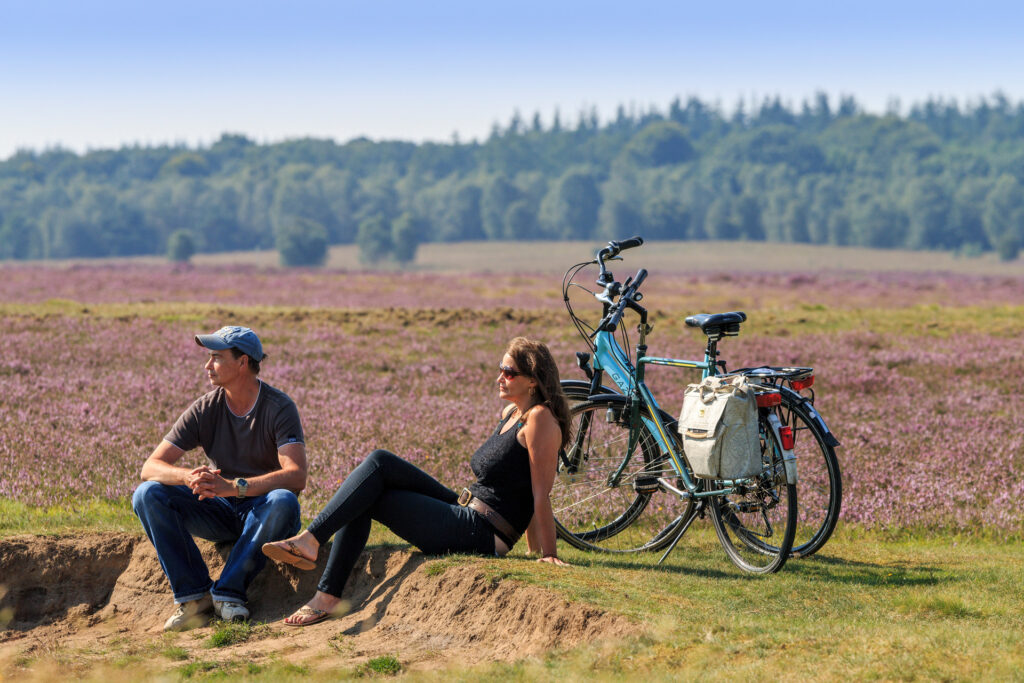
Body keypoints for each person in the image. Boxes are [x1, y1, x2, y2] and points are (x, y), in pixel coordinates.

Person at [262, 337, 570, 627]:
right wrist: (531, 549)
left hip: (483, 531)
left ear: (533, 380)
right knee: (380, 462)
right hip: (466, 509)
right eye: (500, 369)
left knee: (368, 495)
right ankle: (314, 553)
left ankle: (322, 580)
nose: (499, 377)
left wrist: (547, 553)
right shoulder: (512, 412)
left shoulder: (539, 419)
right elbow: (519, 481)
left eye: (509, 372)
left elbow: (538, 493)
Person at [132, 325, 308, 631]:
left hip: (268, 513)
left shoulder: (279, 407)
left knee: (283, 500)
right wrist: (187, 476)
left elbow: (296, 476)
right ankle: (194, 596)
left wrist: (235, 487)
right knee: (147, 494)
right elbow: (151, 466)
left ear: (242, 363)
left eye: (216, 357)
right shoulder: (205, 408)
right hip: (221, 511)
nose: (207, 365)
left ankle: (228, 593)